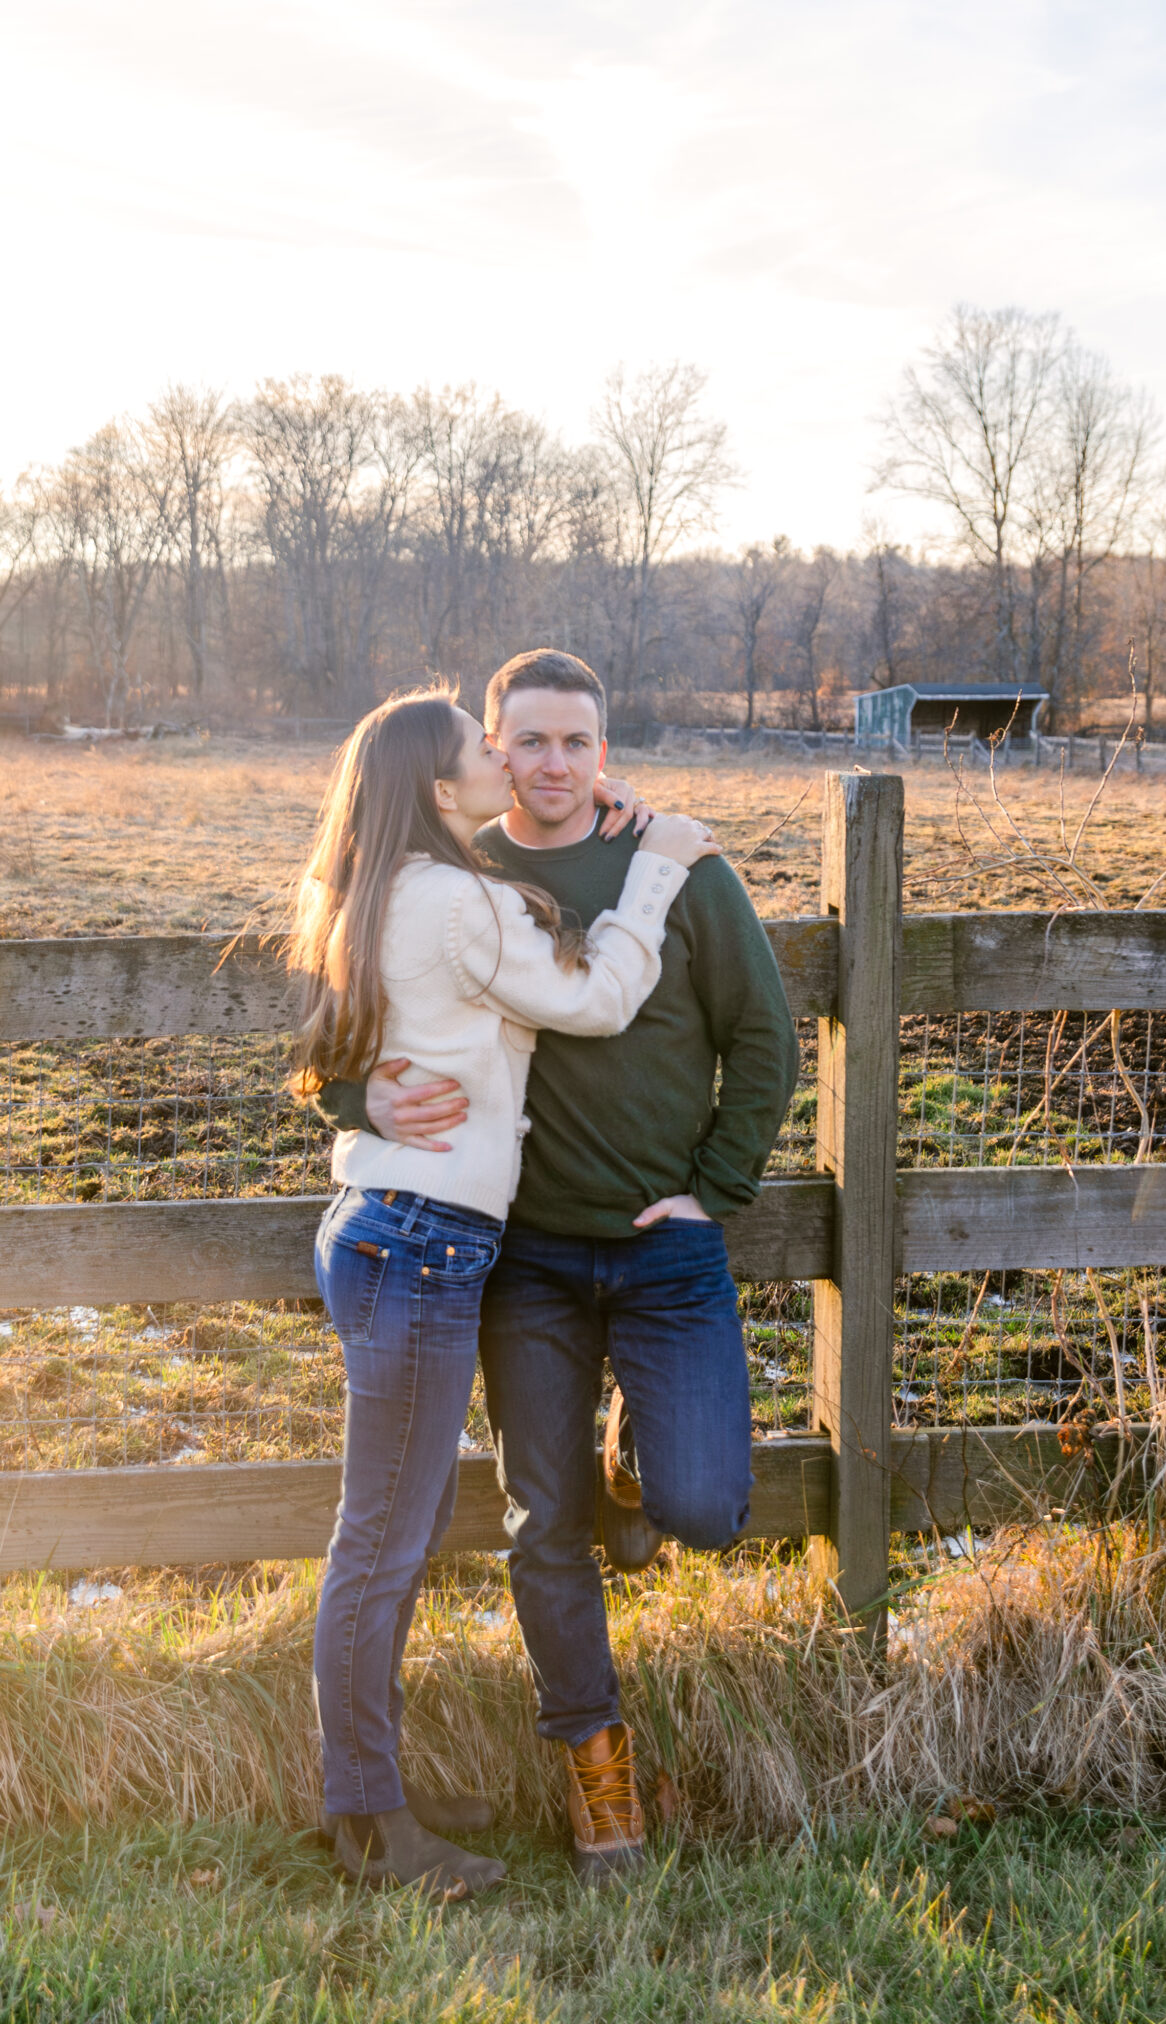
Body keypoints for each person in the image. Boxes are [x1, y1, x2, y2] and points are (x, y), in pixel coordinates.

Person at [315, 648, 798, 1886]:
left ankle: (636, 1467)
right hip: (507, 1255)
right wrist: (356, 1092)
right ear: (482, 752)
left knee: (702, 1505)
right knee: (514, 1530)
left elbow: (766, 1034)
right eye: (519, 742)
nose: (544, 764)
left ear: (603, 747)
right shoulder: (470, 876)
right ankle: (588, 1792)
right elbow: (365, 1009)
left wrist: (722, 1187)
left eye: (573, 742)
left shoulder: (678, 864)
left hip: (654, 1247)